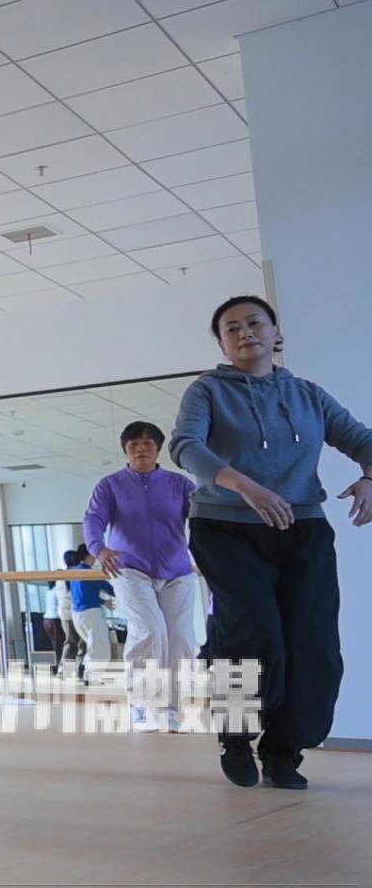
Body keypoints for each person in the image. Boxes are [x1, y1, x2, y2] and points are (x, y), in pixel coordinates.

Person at [171, 295, 372, 790]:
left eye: (255, 323)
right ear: (222, 343)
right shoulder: (207, 391)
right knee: (253, 635)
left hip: (302, 529)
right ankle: (236, 738)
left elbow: (361, 439)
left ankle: (285, 752)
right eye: (232, 328)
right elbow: (185, 445)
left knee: (314, 646)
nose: (245, 333)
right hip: (226, 528)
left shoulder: (308, 395)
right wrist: (245, 486)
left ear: (276, 332)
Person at [84, 421, 197, 732]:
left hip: (177, 571)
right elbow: (93, 519)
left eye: (147, 444)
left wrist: (209, 555)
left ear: (158, 450)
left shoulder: (179, 484)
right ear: (125, 450)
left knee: (180, 639)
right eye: (133, 445)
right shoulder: (110, 486)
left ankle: (170, 710)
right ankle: (143, 705)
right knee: (150, 631)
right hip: (129, 569)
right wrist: (98, 549)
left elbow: (202, 520)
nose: (140, 450)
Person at [66, 549, 116, 685]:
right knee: (100, 648)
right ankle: (92, 677)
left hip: (77, 614)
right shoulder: (88, 572)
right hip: (91, 613)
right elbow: (108, 587)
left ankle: (89, 674)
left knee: (92, 646)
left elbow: (83, 593)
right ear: (89, 555)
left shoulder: (75, 572)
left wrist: (103, 602)